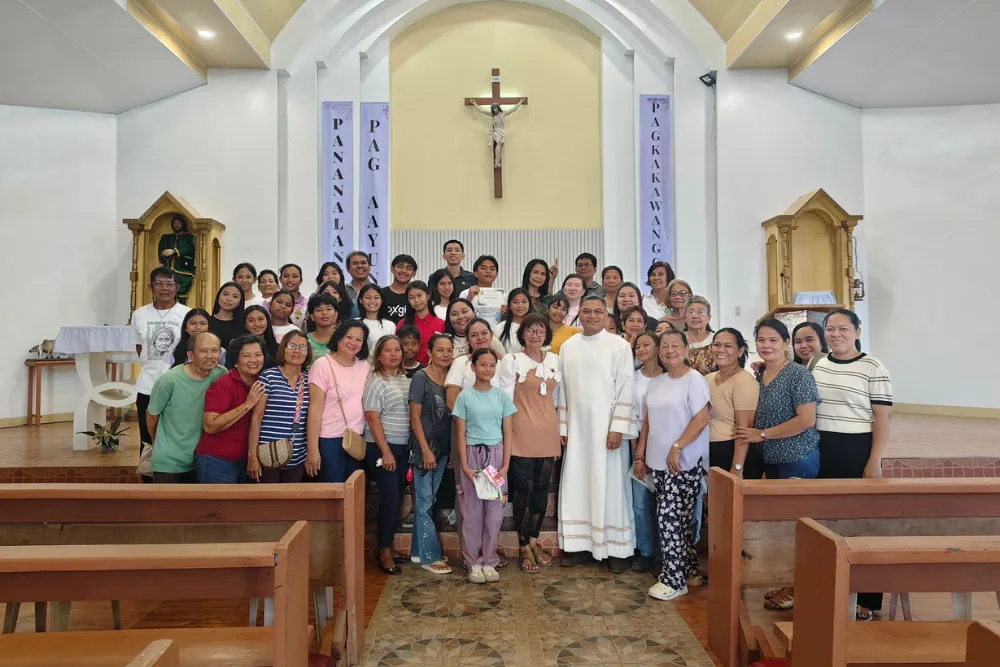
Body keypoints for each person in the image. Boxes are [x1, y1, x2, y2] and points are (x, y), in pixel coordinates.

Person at [814, 308, 893, 621]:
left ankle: (868, 599)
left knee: (863, 526)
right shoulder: (817, 364)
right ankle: (828, 592)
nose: (836, 334)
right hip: (822, 449)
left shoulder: (873, 367)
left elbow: (883, 418)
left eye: (843, 329)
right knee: (826, 525)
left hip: (856, 449)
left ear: (857, 331)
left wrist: (874, 459)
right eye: (831, 329)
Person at [557, 295, 638, 571]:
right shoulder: (568, 347)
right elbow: (564, 390)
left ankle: (615, 549)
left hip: (607, 430)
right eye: (587, 311)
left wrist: (617, 427)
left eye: (598, 312)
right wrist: (563, 427)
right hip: (578, 429)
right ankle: (580, 545)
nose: (592, 316)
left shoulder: (619, 346)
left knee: (611, 487)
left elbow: (627, 387)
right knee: (577, 483)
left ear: (606, 315)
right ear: (579, 315)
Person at [634, 329, 710, 601]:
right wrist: (640, 455)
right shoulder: (657, 382)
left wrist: (677, 448)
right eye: (664, 346)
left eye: (675, 345)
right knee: (678, 521)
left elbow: (701, 420)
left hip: (684, 464)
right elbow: (647, 422)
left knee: (669, 520)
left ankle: (673, 580)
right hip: (659, 463)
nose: (669, 350)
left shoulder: (694, 380)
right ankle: (689, 570)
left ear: (687, 350)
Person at [495, 313, 560, 574]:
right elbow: (504, 398)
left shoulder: (555, 360)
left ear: (547, 334)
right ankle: (523, 547)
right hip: (520, 429)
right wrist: (504, 431)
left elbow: (560, 398)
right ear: (522, 334)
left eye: (540, 330)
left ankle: (534, 539)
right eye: (530, 330)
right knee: (522, 488)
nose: (535, 334)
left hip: (548, 430)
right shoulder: (512, 361)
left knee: (542, 490)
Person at [454, 348, 516, 584]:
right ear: (473, 367)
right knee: (471, 512)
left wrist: (505, 465)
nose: (487, 369)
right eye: (483, 365)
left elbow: (507, 432)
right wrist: (465, 466)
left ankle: (489, 559)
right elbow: (460, 435)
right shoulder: (464, 397)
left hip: (496, 458)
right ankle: (472, 562)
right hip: (472, 456)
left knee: (494, 513)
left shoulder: (501, 397)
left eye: (492, 365)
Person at [736, 318, 820, 479]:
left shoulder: (798, 374)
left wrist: (762, 434)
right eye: (761, 340)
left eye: (773, 340)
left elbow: (807, 420)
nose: (766, 345)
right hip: (770, 458)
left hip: (796, 456)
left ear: (786, 342)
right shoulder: (761, 374)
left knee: (795, 505)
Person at [147, 332, 226, 483]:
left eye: (215, 350)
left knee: (195, 506)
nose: (210, 356)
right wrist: (158, 444)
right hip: (169, 460)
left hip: (201, 458)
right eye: (203, 351)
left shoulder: (221, 374)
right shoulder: (170, 380)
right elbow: (152, 415)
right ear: (191, 354)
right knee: (167, 506)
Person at [363, 335, 412, 575]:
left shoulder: (405, 379)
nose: (394, 354)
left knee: (397, 499)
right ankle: (383, 550)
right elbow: (372, 418)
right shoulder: (375, 380)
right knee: (390, 497)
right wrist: (386, 451)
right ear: (379, 355)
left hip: (402, 448)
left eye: (397, 350)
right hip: (382, 448)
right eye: (388, 350)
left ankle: (389, 546)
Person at [132, 267, 191, 459]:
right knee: (147, 437)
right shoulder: (139, 314)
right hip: (148, 385)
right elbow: (140, 347)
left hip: (179, 385)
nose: (164, 288)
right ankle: (149, 480)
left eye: (169, 283)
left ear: (177, 287)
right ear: (151, 286)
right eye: (159, 283)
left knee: (178, 433)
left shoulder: (186, 314)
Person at [409, 333, 455, 574]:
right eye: (440, 350)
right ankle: (430, 557)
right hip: (425, 450)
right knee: (425, 501)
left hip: (444, 450)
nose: (445, 354)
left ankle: (418, 551)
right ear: (429, 352)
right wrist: (425, 451)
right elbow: (414, 417)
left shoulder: (451, 379)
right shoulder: (420, 377)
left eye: (449, 350)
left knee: (429, 501)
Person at [197, 334, 267, 483]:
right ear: (236, 361)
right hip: (218, 459)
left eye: (258, 355)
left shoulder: (262, 381)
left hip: (245, 459)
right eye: (247, 356)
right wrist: (247, 404)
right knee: (217, 506)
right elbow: (210, 425)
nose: (254, 360)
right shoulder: (224, 384)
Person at [307, 320, 370, 482]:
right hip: (330, 439)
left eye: (359, 339)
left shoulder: (365, 366)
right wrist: (313, 450)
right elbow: (314, 411)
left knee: (353, 491)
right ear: (339, 338)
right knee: (333, 489)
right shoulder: (322, 365)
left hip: (356, 438)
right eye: (349, 337)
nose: (353, 343)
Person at [247, 331, 312, 483]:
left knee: (291, 504)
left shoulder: (310, 380)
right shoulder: (268, 376)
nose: (297, 350)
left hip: (298, 457)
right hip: (268, 454)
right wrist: (252, 455)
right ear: (283, 349)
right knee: (268, 503)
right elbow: (256, 418)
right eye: (292, 346)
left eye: (302, 347)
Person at [706, 328, 761, 478]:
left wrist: (737, 467)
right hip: (710, 450)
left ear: (740, 351)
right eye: (716, 345)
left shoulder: (744, 381)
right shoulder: (708, 378)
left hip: (732, 451)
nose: (721, 350)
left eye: (728, 346)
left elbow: (744, 429)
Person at [629, 331, 662, 573]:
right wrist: (636, 454)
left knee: (665, 502)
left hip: (664, 443)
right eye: (637, 345)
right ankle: (645, 550)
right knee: (640, 502)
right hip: (638, 441)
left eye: (646, 344)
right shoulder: (632, 378)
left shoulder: (668, 377)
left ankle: (664, 551)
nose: (641, 349)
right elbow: (629, 418)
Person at [398, 281, 444, 364]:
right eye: (411, 297)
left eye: (419, 295)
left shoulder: (441, 324)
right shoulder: (402, 324)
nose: (416, 300)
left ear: (428, 295)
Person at [158, 214, 196, 302]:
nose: (176, 225)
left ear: (183, 224)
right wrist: (163, 253)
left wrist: (174, 251)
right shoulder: (166, 237)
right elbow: (161, 250)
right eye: (174, 223)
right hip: (168, 269)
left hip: (184, 270)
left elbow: (189, 249)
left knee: (182, 292)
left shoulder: (189, 238)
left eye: (178, 223)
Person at [460, 255, 503, 322]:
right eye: (483, 268)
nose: (488, 271)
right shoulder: (465, 293)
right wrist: (469, 298)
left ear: (496, 275)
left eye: (492, 269)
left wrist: (505, 315)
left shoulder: (503, 295)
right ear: (476, 273)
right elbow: (460, 314)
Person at [237, 306, 278, 370]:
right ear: (245, 324)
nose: (257, 324)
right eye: (251, 320)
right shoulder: (237, 345)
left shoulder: (278, 347)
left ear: (267, 321)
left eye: (261, 319)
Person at [358, 283, 397, 350]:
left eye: (376, 297)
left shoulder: (390, 325)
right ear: (361, 300)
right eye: (368, 297)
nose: (372, 301)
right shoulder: (354, 323)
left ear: (381, 301)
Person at [684, 296, 716, 375]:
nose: (695, 316)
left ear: (708, 318)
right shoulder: (677, 340)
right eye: (691, 312)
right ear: (684, 317)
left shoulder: (716, 340)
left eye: (700, 312)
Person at [380, 255, 416, 323]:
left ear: (414, 273)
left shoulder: (417, 296)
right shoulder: (381, 294)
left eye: (409, 268)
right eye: (400, 267)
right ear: (392, 269)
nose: (404, 271)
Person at [209, 282, 246, 349]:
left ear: (240, 302)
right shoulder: (206, 322)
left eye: (235, 296)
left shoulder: (243, 326)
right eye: (225, 294)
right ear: (218, 297)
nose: (229, 299)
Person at [494, 288, 532, 354]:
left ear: (529, 304)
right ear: (509, 306)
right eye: (515, 302)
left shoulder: (535, 326)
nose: (520, 306)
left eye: (524, 302)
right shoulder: (500, 328)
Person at [272, 263, 309, 328]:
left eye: (295, 276)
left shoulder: (308, 303)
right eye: (286, 276)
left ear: (301, 280)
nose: (290, 280)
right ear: (280, 279)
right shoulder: (271, 301)